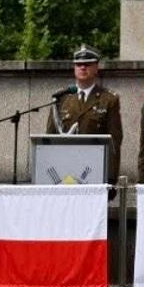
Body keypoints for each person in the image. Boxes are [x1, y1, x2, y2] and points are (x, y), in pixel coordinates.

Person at [48, 45, 124, 184]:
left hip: (95, 171)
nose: (83, 68)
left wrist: (111, 178)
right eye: (79, 64)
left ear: (96, 68)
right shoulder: (62, 99)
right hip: (64, 172)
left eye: (88, 64)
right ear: (74, 68)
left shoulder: (108, 100)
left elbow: (114, 141)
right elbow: (50, 137)